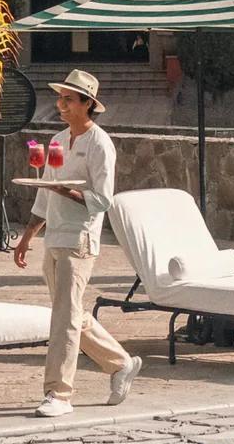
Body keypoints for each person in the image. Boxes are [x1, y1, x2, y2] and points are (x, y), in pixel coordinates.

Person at [14, 68, 142, 419]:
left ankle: (59, 393)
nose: (61, 105)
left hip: (79, 240)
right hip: (54, 237)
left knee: (64, 319)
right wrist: (27, 237)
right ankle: (120, 363)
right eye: (61, 99)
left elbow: (102, 200)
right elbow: (44, 196)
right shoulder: (56, 140)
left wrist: (65, 191)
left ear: (88, 104)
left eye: (69, 100)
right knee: (69, 314)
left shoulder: (101, 144)